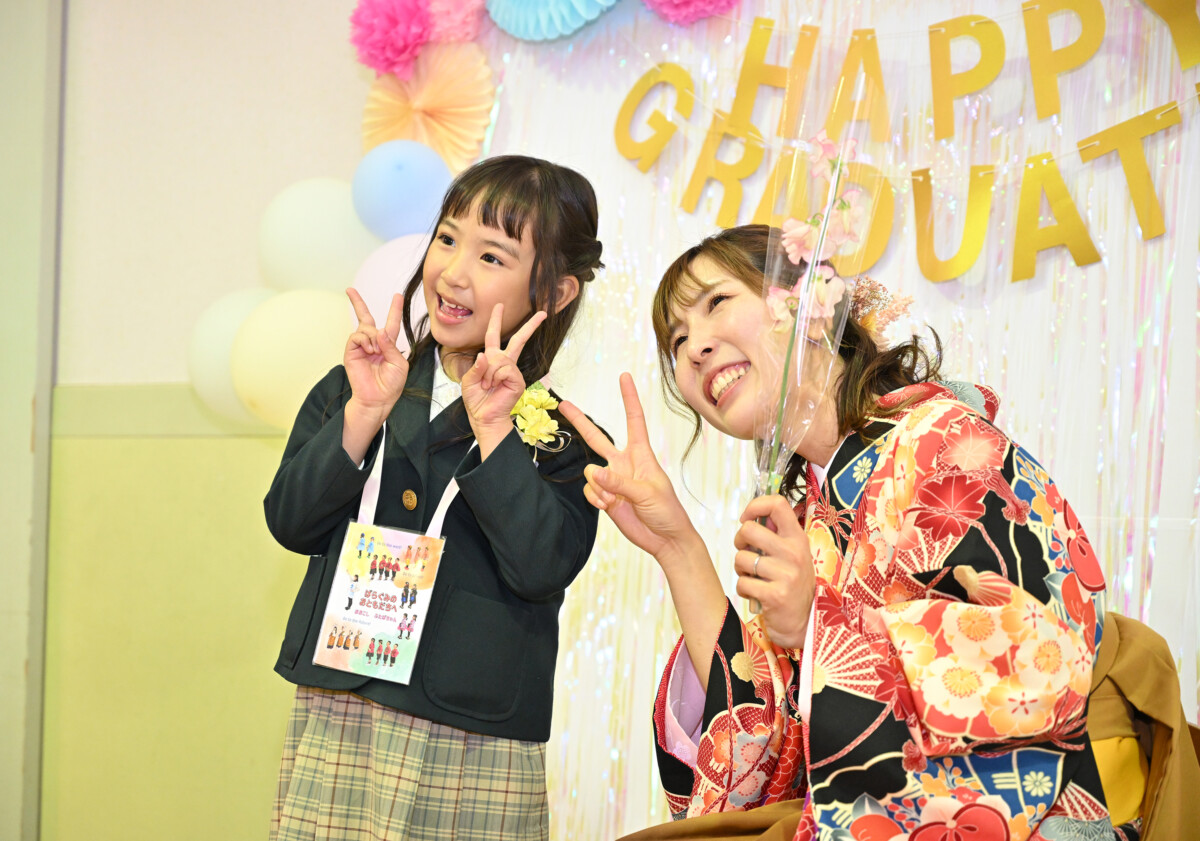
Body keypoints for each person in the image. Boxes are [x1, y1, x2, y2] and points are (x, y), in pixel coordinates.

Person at [561, 225, 1125, 840]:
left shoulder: (946, 441)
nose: (694, 347)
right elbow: (772, 745)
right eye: (677, 339)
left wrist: (815, 624)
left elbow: (1044, 655)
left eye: (716, 302)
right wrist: (677, 547)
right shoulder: (811, 519)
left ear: (810, 305)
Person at [265, 155, 606, 841]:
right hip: (340, 704)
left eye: (491, 255)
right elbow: (290, 520)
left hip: (475, 733)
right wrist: (363, 415)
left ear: (556, 290)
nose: (452, 272)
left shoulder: (564, 438)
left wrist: (495, 431)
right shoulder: (357, 388)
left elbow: (540, 567)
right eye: (447, 238)